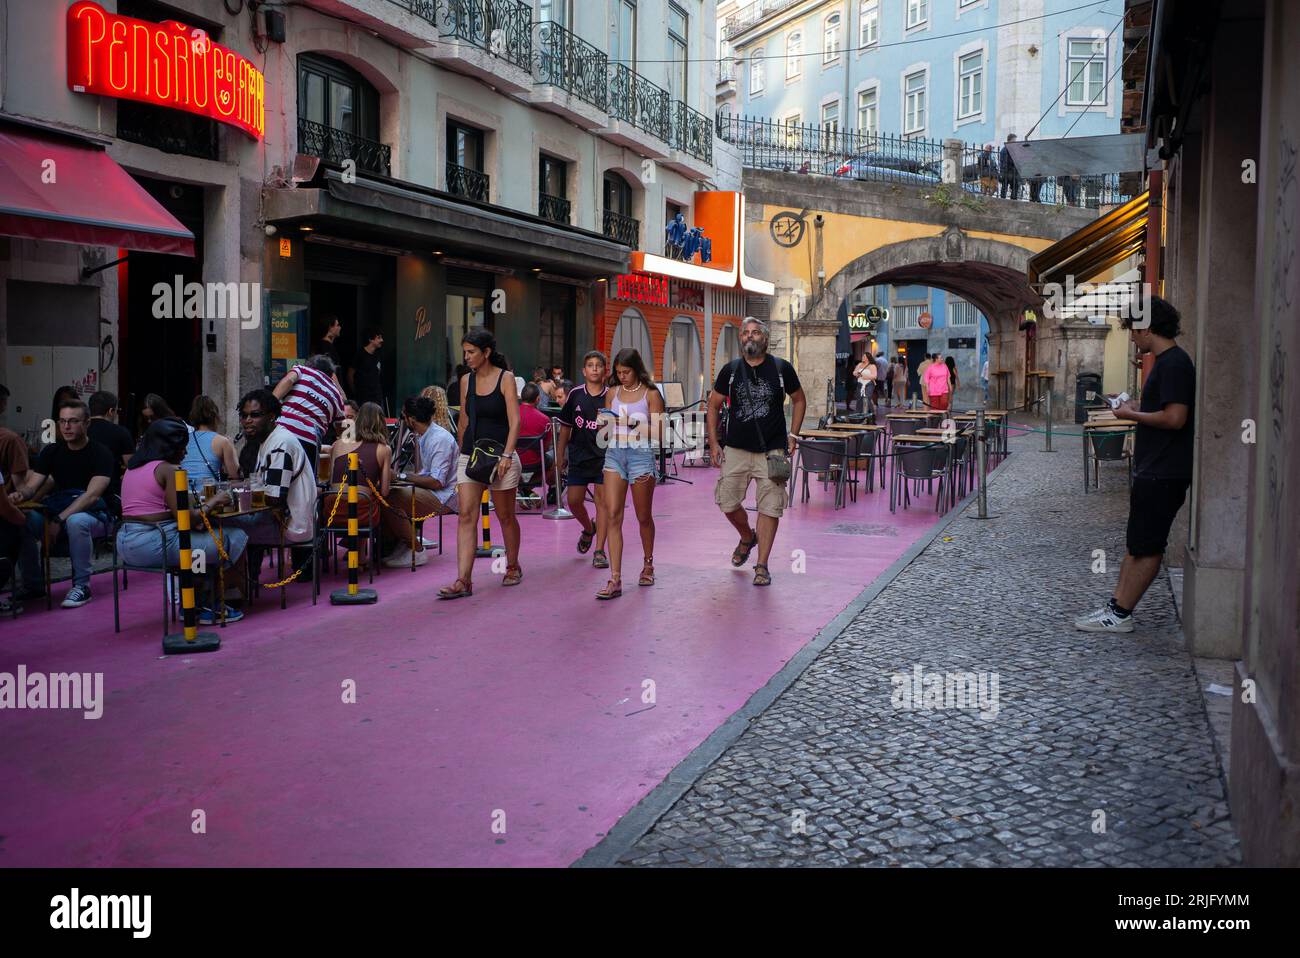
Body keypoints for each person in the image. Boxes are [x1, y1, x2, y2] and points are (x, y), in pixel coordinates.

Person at [1075, 297, 1195, 634]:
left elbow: (1175, 417)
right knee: (1137, 543)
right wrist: (1132, 404)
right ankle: (1116, 608)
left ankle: (1122, 614)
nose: (1131, 337)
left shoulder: (1174, 364)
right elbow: (1163, 406)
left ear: (1147, 327)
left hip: (1164, 470)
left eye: (1133, 329)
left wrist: (1131, 414)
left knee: (1147, 545)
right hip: (1155, 469)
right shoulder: (1167, 362)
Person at [117, 417, 249, 624]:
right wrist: (216, 499)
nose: (186, 453)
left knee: (201, 544)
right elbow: (186, 517)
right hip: (155, 542)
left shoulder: (133, 468)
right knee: (236, 536)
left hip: (126, 541)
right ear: (169, 447)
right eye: (182, 448)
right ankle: (211, 604)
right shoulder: (169, 470)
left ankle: (193, 604)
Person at [707, 317, 806, 587]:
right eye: (745, 333)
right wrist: (714, 443)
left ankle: (761, 565)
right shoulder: (730, 370)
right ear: (741, 338)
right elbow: (713, 405)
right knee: (727, 502)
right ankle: (747, 536)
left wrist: (793, 435)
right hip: (735, 449)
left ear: (765, 337)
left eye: (755, 333)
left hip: (771, 450)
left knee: (770, 507)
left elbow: (799, 399)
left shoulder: (781, 369)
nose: (749, 337)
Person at [438, 329, 522, 599]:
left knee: (505, 515)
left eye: (471, 352)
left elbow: (515, 421)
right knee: (466, 515)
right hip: (472, 454)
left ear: (486, 353)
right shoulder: (466, 381)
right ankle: (464, 580)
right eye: (464, 352)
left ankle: (511, 566)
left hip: (501, 455)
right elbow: (464, 420)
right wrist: (462, 453)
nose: (466, 357)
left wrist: (508, 455)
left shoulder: (506, 378)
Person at [9, 398, 114, 608]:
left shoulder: (101, 453)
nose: (66, 426)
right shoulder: (52, 452)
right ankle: (33, 585)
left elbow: (92, 496)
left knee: (77, 521)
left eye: (73, 421)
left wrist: (58, 520)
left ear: (86, 423)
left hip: (97, 516)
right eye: (63, 421)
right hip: (60, 511)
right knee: (22, 518)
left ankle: (82, 586)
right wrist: (19, 495)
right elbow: (32, 486)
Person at [594, 349, 665, 599]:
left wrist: (630, 423)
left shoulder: (651, 394)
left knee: (643, 516)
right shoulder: (612, 393)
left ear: (637, 369)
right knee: (613, 514)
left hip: (640, 455)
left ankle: (648, 563)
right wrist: (604, 421)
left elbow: (658, 432)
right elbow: (606, 428)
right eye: (618, 372)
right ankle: (615, 578)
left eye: (626, 372)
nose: (621, 376)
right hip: (614, 453)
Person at [229, 389, 318, 559]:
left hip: (292, 526)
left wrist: (233, 495)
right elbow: (264, 487)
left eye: (255, 415)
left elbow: (275, 497)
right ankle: (245, 580)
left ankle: (238, 583)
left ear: (271, 416)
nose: (247, 421)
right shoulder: (269, 440)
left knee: (223, 528)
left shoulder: (280, 443)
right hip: (282, 519)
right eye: (244, 415)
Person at [385, 396, 458, 568]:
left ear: (410, 419)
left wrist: (400, 477)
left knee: (390, 498)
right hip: (436, 493)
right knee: (386, 493)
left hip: (444, 498)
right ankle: (400, 545)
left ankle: (415, 550)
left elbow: (437, 482)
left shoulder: (439, 439)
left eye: (403, 417)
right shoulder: (426, 435)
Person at [556, 350, 610, 568]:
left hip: (605, 458)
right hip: (579, 456)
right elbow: (566, 428)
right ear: (583, 371)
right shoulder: (576, 395)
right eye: (590, 365)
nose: (594, 368)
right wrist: (560, 455)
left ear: (605, 371)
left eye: (599, 365)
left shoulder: (611, 396)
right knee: (574, 501)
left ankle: (599, 550)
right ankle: (589, 528)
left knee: (603, 505)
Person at [321, 401, 389, 568]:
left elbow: (331, 480)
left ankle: (353, 556)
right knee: (370, 500)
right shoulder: (383, 449)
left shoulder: (337, 444)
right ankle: (368, 556)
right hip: (363, 512)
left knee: (357, 497)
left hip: (332, 511)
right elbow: (385, 491)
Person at [272, 354, 345, 465]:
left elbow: (289, 380)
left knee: (274, 472)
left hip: (283, 429)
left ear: (310, 365)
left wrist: (269, 403)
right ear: (331, 374)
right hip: (310, 440)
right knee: (305, 479)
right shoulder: (337, 395)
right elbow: (341, 428)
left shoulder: (303, 370)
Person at [87, 392, 135, 506]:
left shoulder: (79, 431)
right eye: (117, 411)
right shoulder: (121, 432)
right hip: (109, 494)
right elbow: (132, 465)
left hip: (78, 492)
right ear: (111, 411)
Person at [183, 395, 242, 486]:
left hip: (183, 494)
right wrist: (232, 447)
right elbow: (235, 475)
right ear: (215, 416)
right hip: (207, 495)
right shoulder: (222, 441)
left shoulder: (184, 439)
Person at [517, 383, 557, 498]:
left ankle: (524, 488)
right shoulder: (544, 419)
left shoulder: (512, 415)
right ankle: (553, 489)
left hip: (513, 461)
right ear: (538, 399)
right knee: (558, 457)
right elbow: (545, 447)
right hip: (536, 462)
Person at [350, 325, 385, 410]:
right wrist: (354, 390)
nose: (382, 340)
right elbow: (350, 373)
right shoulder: (360, 354)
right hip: (363, 396)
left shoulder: (377, 355)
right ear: (370, 339)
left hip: (376, 395)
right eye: (379, 338)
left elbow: (378, 372)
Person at [998, 134, 1021, 200]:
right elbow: (1005, 162)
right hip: (1007, 171)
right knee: (1005, 187)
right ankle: (1003, 199)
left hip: (1013, 172)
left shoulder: (1012, 149)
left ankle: (1013, 200)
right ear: (1010, 140)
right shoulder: (1005, 150)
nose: (1015, 142)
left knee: (1014, 186)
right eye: (1014, 140)